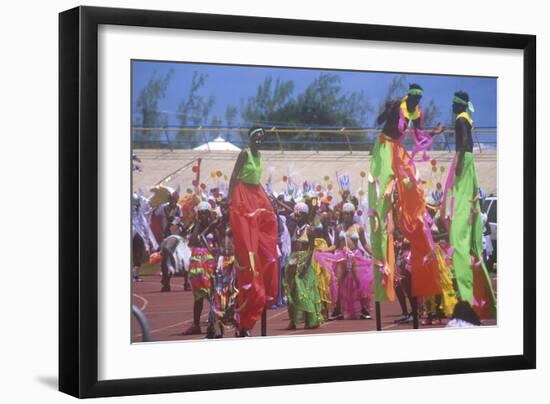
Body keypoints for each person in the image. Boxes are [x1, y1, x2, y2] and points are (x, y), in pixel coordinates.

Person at [368, 83, 445, 305]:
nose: (415, 103)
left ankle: (416, 231)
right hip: (384, 148)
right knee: (382, 196)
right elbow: (380, 122)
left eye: (417, 101)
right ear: (408, 97)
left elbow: (419, 134)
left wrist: (434, 132)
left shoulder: (417, 111)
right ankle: (382, 269)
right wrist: (388, 109)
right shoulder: (398, 107)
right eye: (412, 99)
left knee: (415, 188)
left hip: (398, 150)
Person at [442, 91, 497, 319]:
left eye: (453, 104)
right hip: (468, 163)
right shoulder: (465, 118)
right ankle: (475, 298)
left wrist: (458, 164)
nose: (452, 108)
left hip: (464, 162)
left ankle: (466, 298)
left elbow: (464, 142)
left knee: (459, 231)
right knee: (465, 223)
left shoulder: (461, 119)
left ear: (457, 105)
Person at [228, 127, 279, 337]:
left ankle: (265, 293)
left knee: (269, 233)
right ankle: (244, 319)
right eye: (257, 137)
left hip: (256, 193)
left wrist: (270, 199)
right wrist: (229, 200)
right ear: (250, 139)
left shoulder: (260, 156)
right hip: (242, 193)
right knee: (248, 251)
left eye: (262, 138)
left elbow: (257, 181)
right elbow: (233, 177)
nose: (259, 140)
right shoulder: (244, 153)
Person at [331, 202, 374, 320]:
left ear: (353, 214)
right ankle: (337, 310)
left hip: (355, 256)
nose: (347, 216)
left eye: (349, 213)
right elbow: (335, 245)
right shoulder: (338, 227)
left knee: (360, 282)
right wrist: (324, 250)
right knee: (337, 283)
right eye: (345, 213)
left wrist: (373, 254)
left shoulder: (358, 228)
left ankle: (364, 309)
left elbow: (364, 244)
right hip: (341, 257)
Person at [283, 202, 323, 330]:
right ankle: (292, 320)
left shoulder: (310, 229)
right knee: (291, 289)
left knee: (304, 290)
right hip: (293, 259)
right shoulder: (292, 227)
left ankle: (309, 319)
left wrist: (306, 263)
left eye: (300, 215)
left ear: (305, 216)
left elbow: (311, 247)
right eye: (296, 215)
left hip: (304, 260)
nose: (297, 217)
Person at [183, 202, 218, 335]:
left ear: (209, 214)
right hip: (197, 263)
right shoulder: (195, 227)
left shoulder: (213, 227)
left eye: (205, 213)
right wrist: (197, 224)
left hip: (209, 263)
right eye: (200, 213)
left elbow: (219, 243)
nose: (203, 215)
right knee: (197, 295)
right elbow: (192, 241)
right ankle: (196, 325)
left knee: (211, 294)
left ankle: (215, 322)